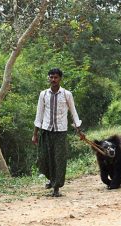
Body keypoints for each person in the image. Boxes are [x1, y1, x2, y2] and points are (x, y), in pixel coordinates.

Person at [32, 68, 85, 197]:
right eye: (51, 77)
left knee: (59, 159)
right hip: (46, 131)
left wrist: (79, 130)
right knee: (45, 157)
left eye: (55, 77)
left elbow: (73, 112)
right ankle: (51, 179)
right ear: (48, 78)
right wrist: (35, 133)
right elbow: (39, 114)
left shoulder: (67, 94)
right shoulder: (43, 94)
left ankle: (56, 187)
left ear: (60, 79)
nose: (53, 80)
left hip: (60, 132)